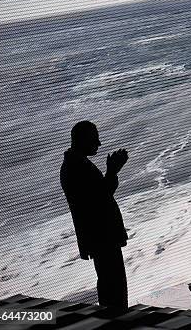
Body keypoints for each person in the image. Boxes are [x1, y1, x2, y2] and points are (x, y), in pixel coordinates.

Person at [60, 120, 130, 309]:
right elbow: (98, 200)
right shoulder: (76, 167)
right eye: (94, 139)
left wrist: (111, 172)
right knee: (114, 288)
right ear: (82, 140)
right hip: (102, 237)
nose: (99, 144)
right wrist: (112, 171)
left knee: (110, 285)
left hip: (99, 237)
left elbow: (97, 197)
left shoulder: (75, 164)